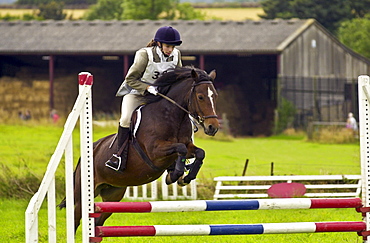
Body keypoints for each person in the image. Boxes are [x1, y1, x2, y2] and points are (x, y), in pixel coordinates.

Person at [106, 26, 183, 172]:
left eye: (172, 46)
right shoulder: (144, 55)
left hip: (160, 96)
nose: (170, 50)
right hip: (137, 93)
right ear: (158, 43)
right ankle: (119, 156)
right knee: (126, 119)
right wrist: (147, 88)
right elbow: (130, 79)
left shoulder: (176, 55)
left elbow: (179, 77)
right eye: (167, 46)